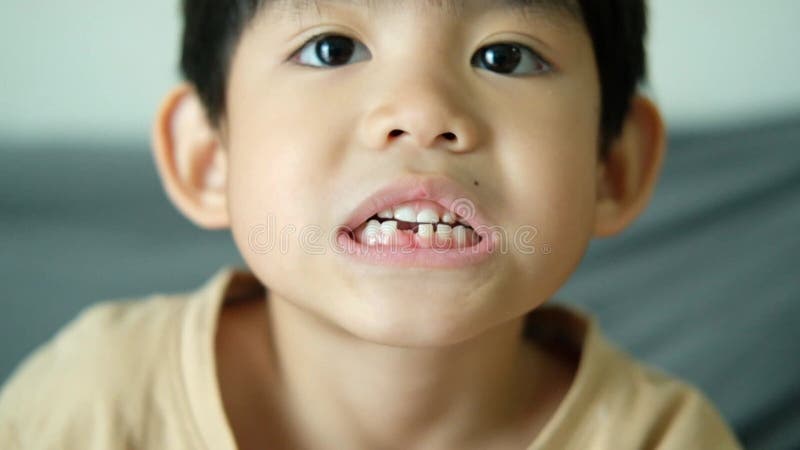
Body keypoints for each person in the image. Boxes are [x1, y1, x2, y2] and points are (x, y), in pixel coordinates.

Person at [0, 0, 743, 448]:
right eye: (332, 48)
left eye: (506, 55)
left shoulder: (664, 439)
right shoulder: (94, 404)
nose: (422, 111)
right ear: (209, 158)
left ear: (612, 166)